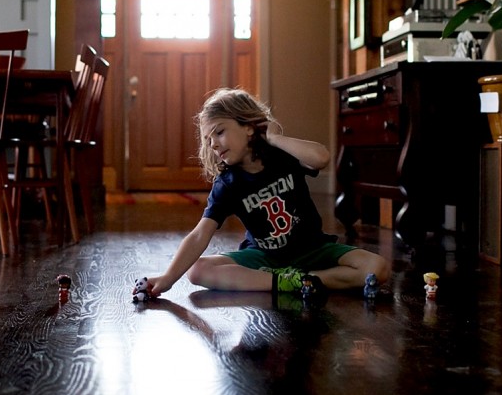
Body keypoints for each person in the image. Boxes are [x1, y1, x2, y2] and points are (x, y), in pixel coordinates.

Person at [133, 88, 391, 300]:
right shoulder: (228, 183)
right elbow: (201, 234)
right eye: (208, 139)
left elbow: (321, 157)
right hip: (264, 258)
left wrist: (274, 139)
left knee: (377, 268)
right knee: (198, 271)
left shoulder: (283, 157)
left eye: (219, 132)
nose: (212, 144)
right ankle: (287, 283)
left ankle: (308, 280)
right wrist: (168, 278)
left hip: (312, 250)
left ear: (248, 127)